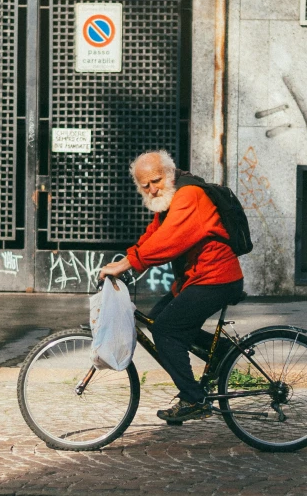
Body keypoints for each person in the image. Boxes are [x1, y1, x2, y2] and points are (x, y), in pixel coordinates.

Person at [98, 150, 244, 423]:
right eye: (145, 186)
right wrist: (126, 259)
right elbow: (154, 236)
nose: (152, 190)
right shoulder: (171, 200)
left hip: (216, 278)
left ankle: (194, 399)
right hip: (198, 278)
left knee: (167, 329)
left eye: (156, 181)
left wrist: (128, 264)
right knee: (156, 320)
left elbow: (168, 241)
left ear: (170, 173)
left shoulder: (189, 196)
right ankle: (224, 351)